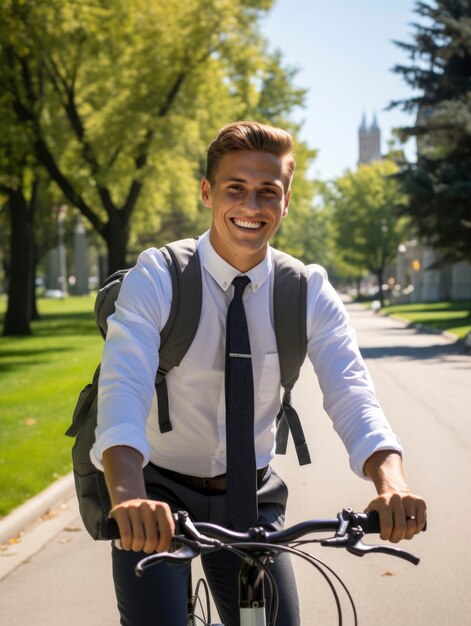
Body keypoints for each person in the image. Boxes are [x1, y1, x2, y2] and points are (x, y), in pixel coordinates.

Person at [91, 121, 426, 626]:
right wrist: (130, 496)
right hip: (156, 490)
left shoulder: (306, 290)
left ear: (285, 202)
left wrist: (391, 483)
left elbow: (352, 392)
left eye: (268, 192)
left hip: (250, 494)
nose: (251, 207)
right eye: (235, 189)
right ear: (208, 192)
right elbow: (123, 387)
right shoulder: (159, 276)